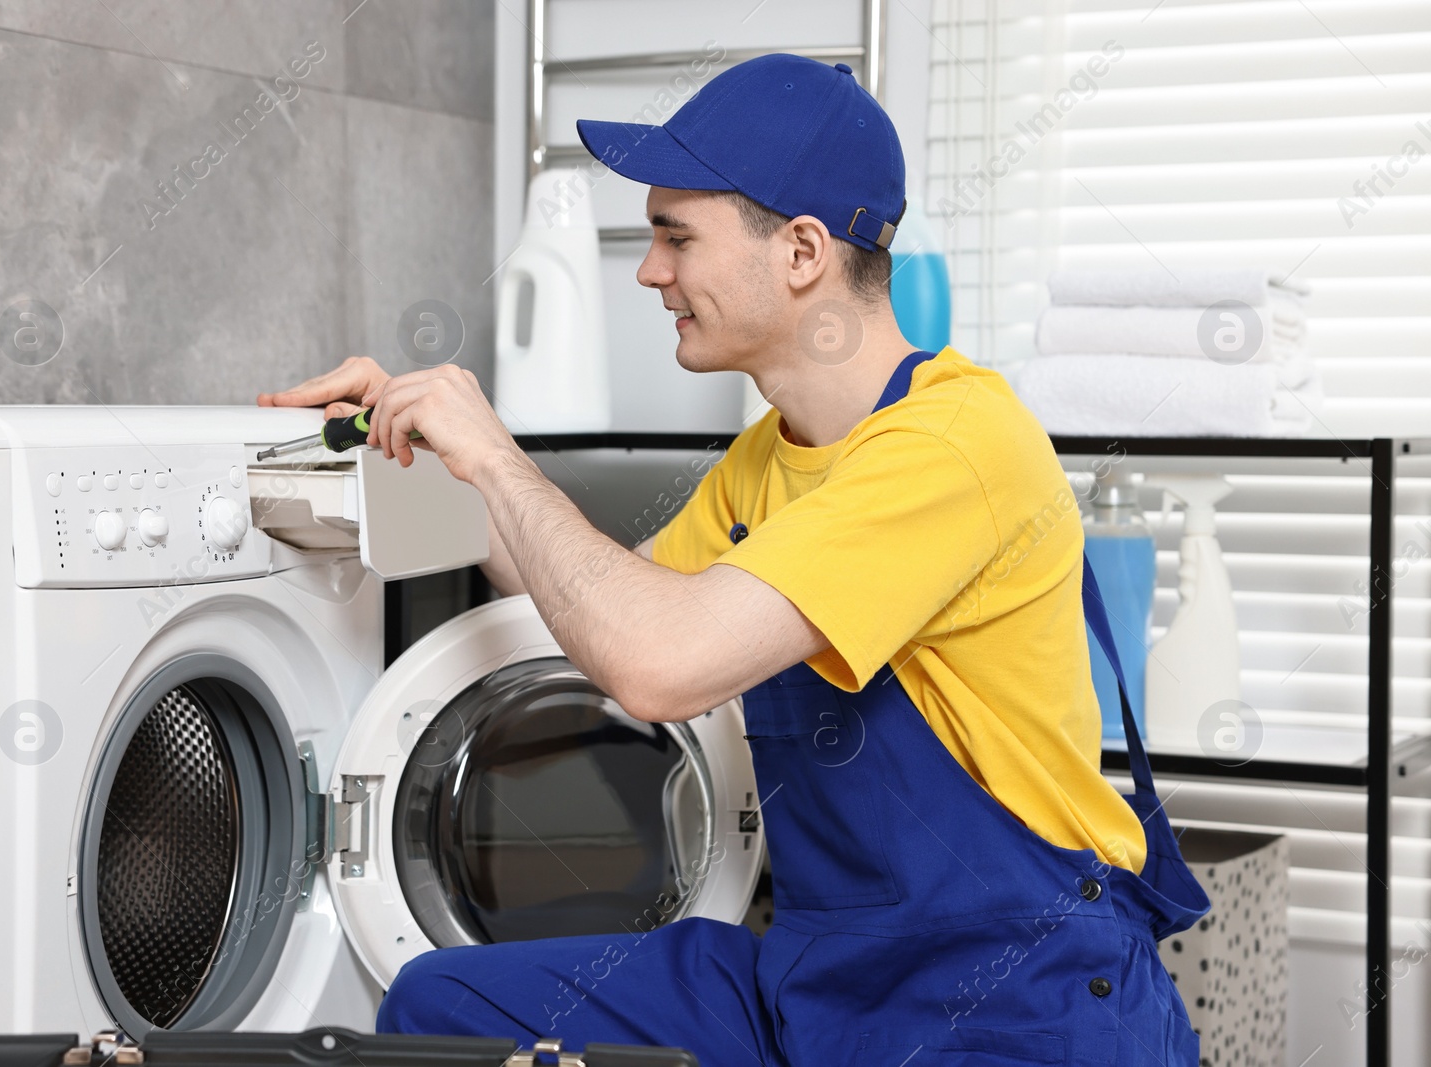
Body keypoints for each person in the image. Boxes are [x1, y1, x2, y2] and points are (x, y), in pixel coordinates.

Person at [258, 52, 1208, 1067]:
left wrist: (496, 450)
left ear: (801, 251)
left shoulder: (953, 446)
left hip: (1011, 1001)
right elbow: (593, 602)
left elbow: (655, 665)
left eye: (676, 235)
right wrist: (420, 450)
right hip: (822, 982)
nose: (649, 269)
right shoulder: (771, 452)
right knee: (443, 1002)